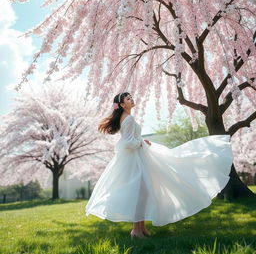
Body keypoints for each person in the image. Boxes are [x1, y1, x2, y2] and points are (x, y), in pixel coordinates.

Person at [85, 92, 233, 239]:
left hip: (136, 158)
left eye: (131, 97)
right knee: (141, 194)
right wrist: (141, 143)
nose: (132, 99)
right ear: (122, 105)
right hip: (135, 160)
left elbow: (130, 138)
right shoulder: (128, 118)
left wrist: (142, 141)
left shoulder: (127, 118)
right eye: (128, 99)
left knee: (143, 193)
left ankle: (141, 228)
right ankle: (136, 230)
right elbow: (127, 143)